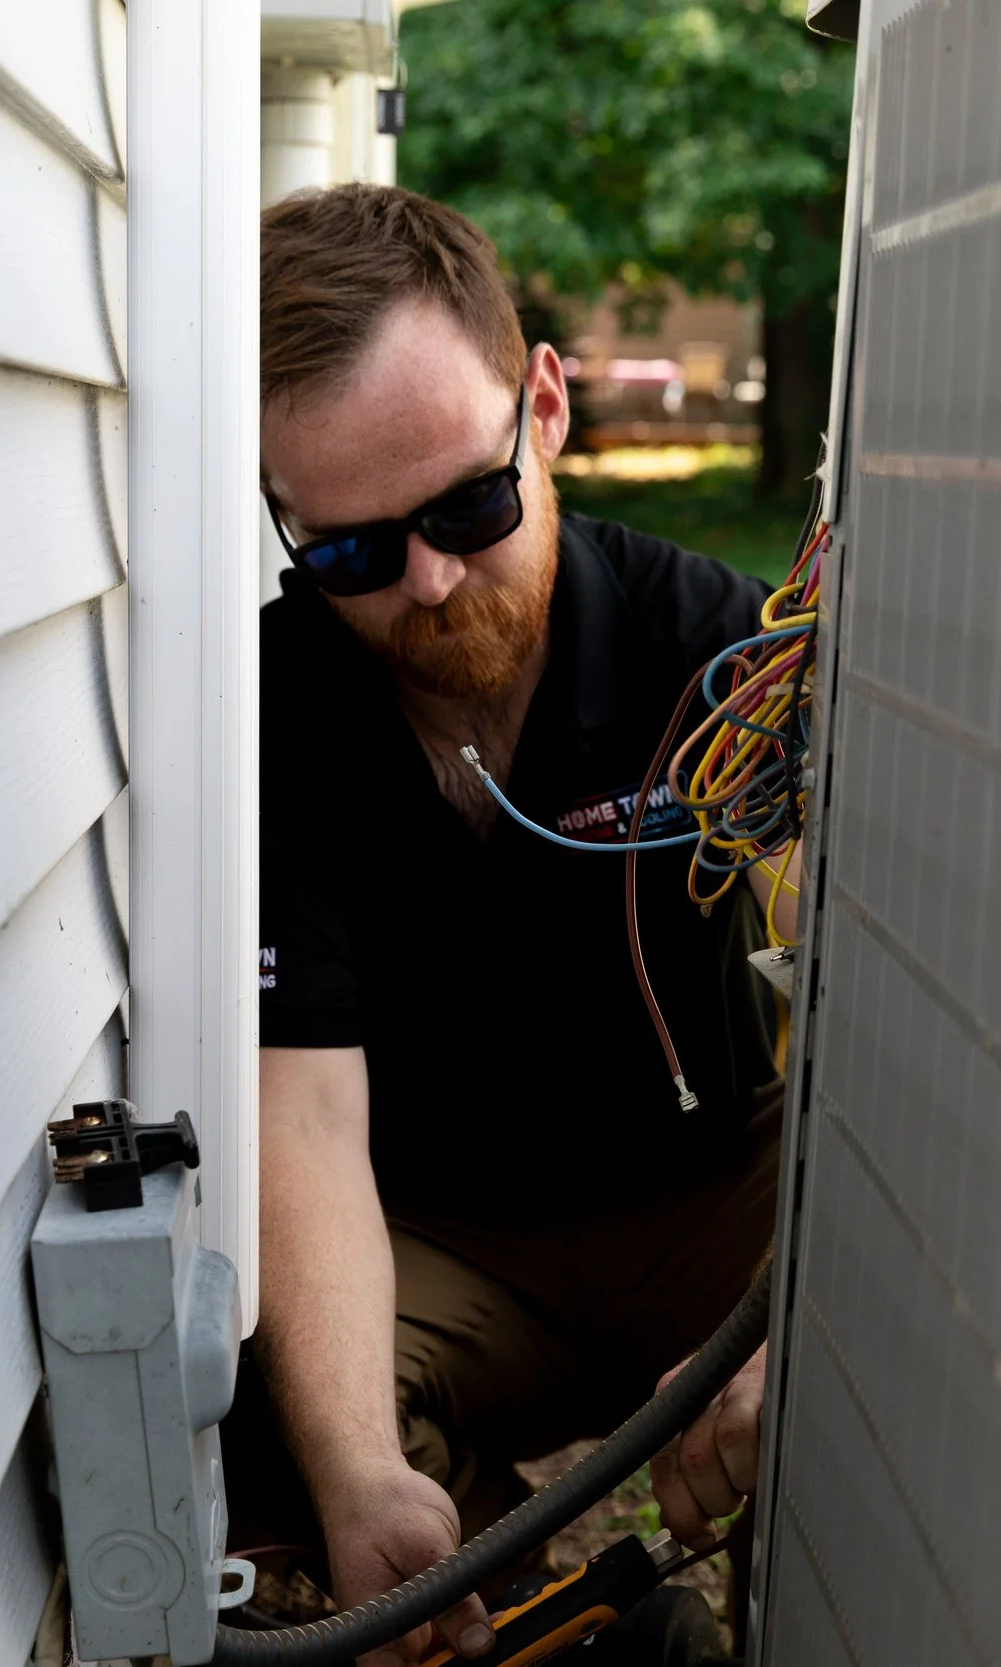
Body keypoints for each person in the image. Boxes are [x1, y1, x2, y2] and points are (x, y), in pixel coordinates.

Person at [231, 183, 800, 1665]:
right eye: (350, 553)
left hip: (717, 1193)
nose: (426, 582)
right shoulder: (268, 716)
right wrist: (354, 1464)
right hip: (454, 1239)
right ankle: (588, 1635)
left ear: (542, 407)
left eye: (467, 507)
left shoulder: (721, 649)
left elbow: (920, 1004)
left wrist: (805, 1306)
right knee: (263, 1416)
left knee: (915, 1324)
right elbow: (301, 1114)